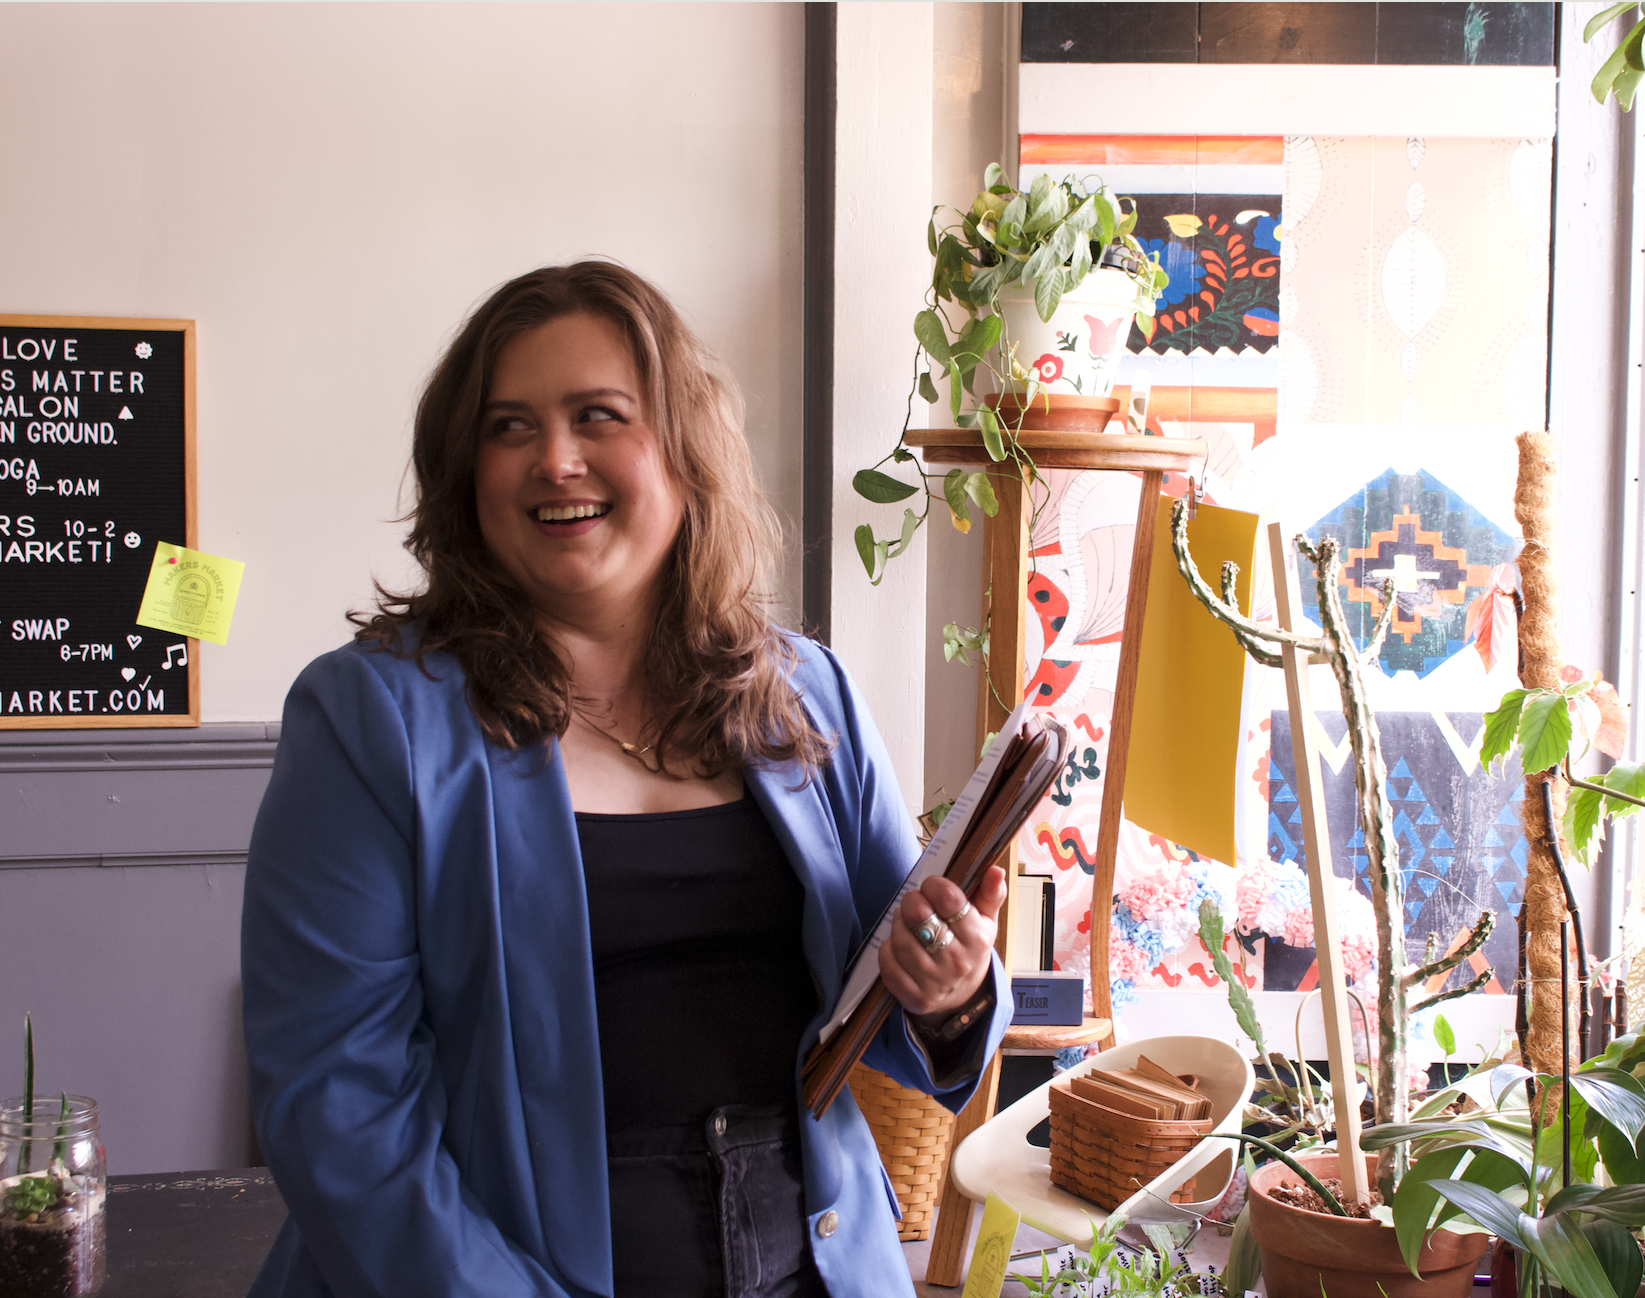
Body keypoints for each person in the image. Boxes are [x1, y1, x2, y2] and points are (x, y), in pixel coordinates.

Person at [241, 262, 1014, 1298]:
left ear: (686, 449)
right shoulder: (370, 720)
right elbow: (337, 1109)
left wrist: (953, 992)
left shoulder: (806, 694)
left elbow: (904, 1009)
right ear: (465, 469)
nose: (554, 459)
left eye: (597, 415)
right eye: (508, 427)